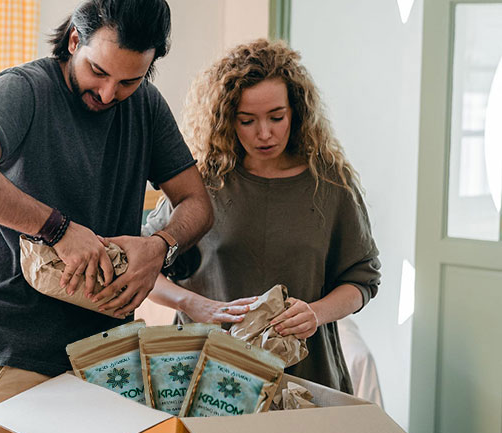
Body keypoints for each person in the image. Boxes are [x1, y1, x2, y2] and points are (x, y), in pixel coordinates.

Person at [0, 0, 213, 433]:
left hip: (102, 359)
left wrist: (160, 246)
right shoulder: (25, 89)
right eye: (98, 71)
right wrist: (58, 229)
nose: (108, 93)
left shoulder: (147, 107)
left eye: (129, 80)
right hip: (9, 354)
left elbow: (197, 203)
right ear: (75, 40)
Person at [142, 39, 381, 393]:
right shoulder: (202, 184)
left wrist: (316, 313)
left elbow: (362, 280)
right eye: (247, 120)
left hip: (305, 374)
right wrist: (195, 304)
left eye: (276, 117)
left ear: (296, 111)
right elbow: (143, 267)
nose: (264, 133)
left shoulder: (331, 184)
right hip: (207, 375)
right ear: (227, 120)